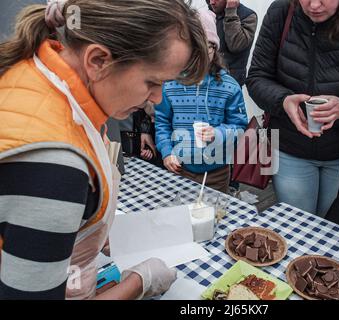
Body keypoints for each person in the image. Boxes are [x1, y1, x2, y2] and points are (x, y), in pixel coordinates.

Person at [0, 0, 209, 299]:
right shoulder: (55, 166)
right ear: (98, 60)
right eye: (153, 82)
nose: (158, 99)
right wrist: (137, 283)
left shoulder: (38, 77)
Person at [246, 0, 339, 217]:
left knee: (332, 224)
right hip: (289, 146)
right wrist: (284, 101)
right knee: (296, 224)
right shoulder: (281, 11)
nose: (314, 5)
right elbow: (257, 77)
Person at [155, 9, 248, 194]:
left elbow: (239, 127)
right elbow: (162, 122)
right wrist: (167, 152)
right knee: (181, 217)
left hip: (216, 172)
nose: (200, 55)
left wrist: (218, 133)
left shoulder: (229, 86)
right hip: (179, 168)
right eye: (193, 48)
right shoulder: (169, 84)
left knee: (214, 216)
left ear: (215, 48)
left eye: (208, 47)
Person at [208, 0, 257, 86]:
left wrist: (231, 12)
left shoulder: (248, 16)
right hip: (207, 81)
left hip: (231, 83)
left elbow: (236, 46)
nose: (212, 2)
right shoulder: (208, 14)